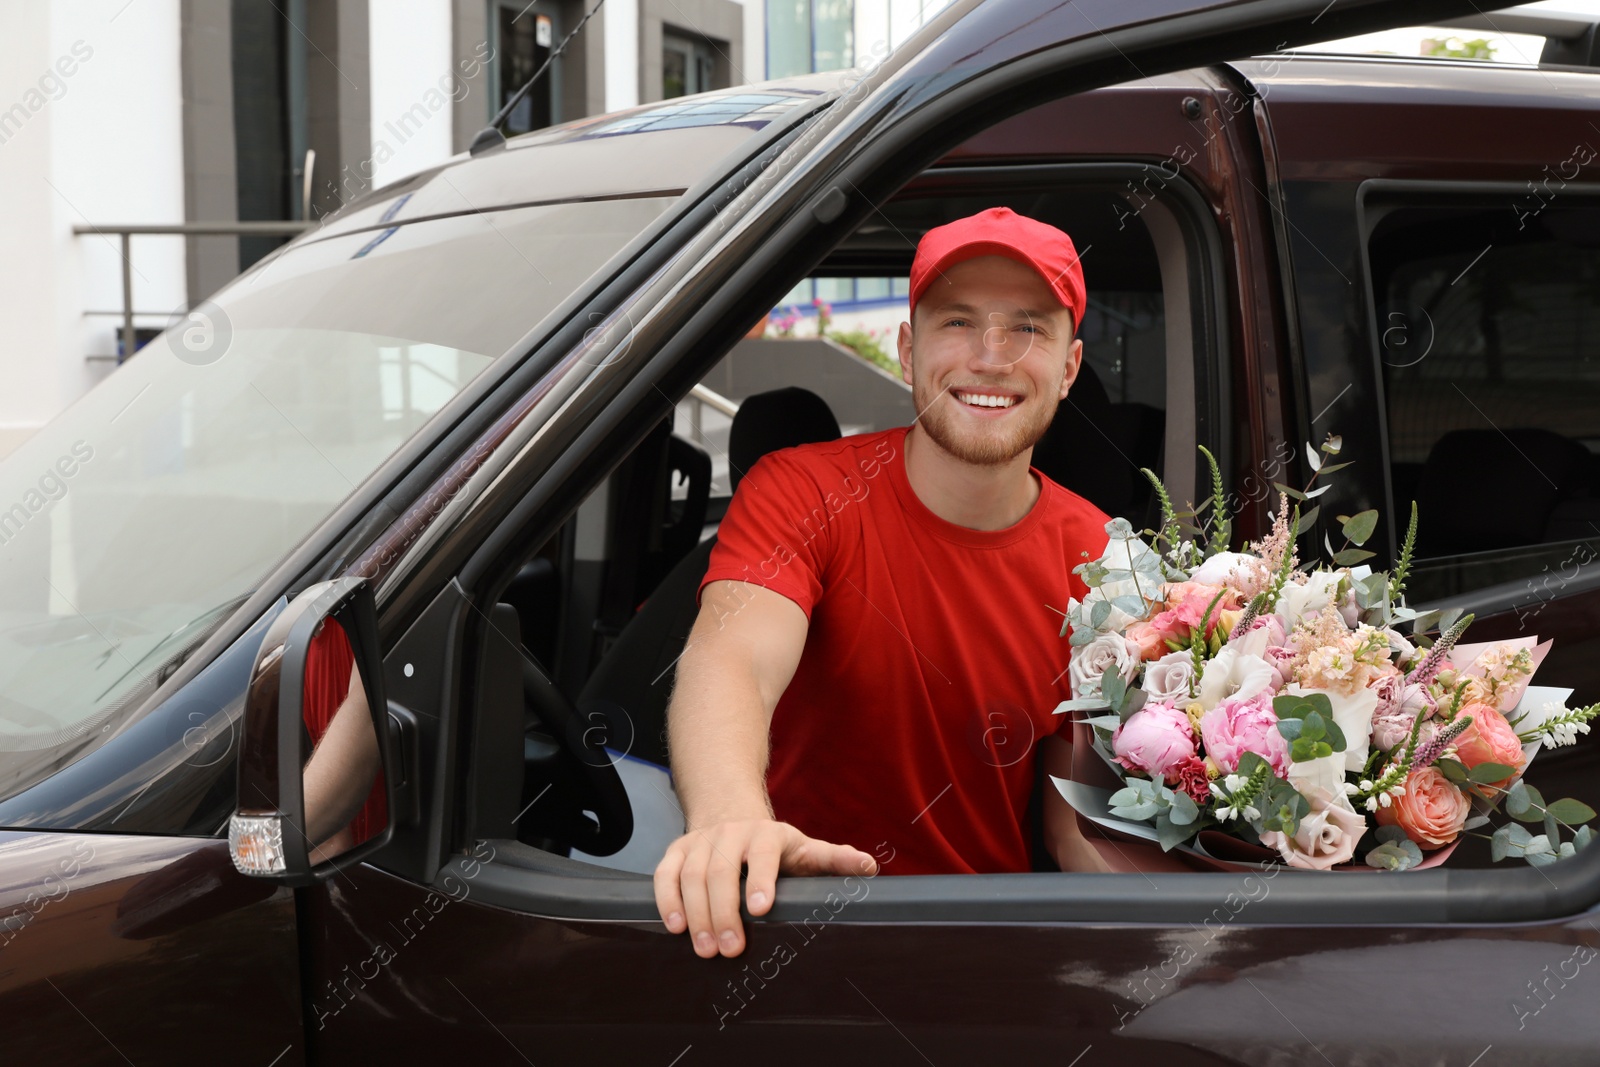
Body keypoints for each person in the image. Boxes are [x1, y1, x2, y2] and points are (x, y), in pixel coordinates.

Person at [652, 206, 1118, 961]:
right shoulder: (801, 489)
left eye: (1027, 327)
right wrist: (730, 821)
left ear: (1068, 368)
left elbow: (1076, 823)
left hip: (988, 958)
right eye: (958, 322)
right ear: (908, 351)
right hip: (787, 926)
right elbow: (732, 658)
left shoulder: (1103, 558)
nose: (991, 356)